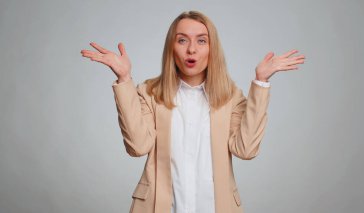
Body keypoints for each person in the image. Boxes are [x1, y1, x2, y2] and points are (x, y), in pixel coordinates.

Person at [81, 10, 305, 213]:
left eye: (201, 40)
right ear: (172, 47)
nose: (191, 49)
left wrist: (261, 83)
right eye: (182, 40)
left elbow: (245, 149)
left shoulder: (230, 97)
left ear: (212, 48)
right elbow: (138, 146)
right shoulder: (148, 93)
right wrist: (124, 79)